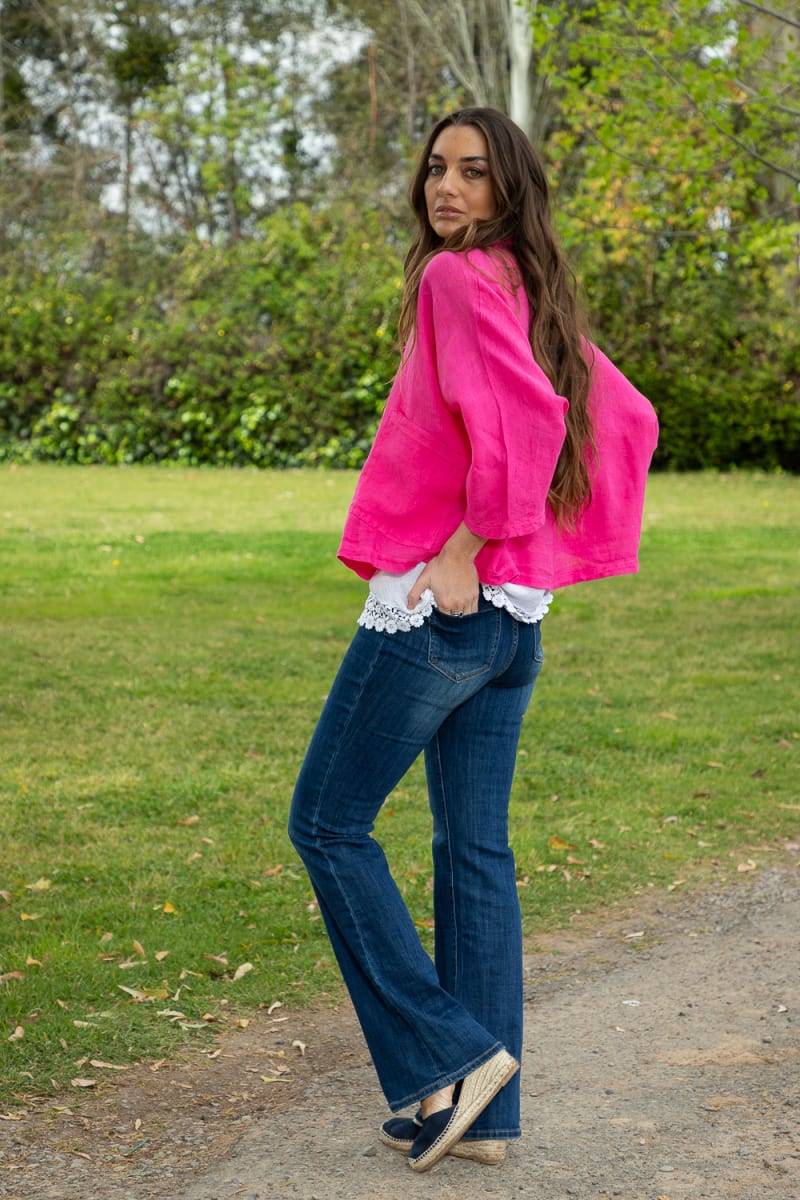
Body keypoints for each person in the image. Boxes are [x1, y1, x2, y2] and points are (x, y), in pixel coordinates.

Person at [288, 107, 658, 1174]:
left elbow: (533, 422)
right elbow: (624, 417)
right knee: (473, 849)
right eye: (436, 168)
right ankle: (484, 1122)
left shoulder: (457, 279)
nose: (446, 187)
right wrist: (529, 549)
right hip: (510, 624)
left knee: (326, 824)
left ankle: (451, 1054)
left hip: (443, 610)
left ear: (509, 189)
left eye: (474, 172)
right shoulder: (525, 282)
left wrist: (466, 545)